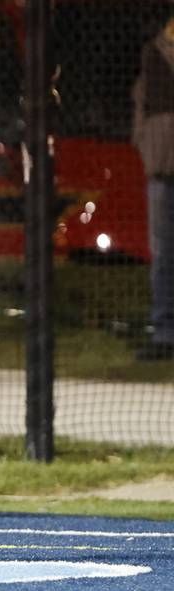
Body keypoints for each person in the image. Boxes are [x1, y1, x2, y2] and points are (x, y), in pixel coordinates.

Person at [132, 16, 174, 361]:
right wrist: (147, 146)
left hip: (160, 165)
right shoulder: (153, 54)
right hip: (161, 168)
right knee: (162, 253)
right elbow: (141, 105)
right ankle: (164, 332)